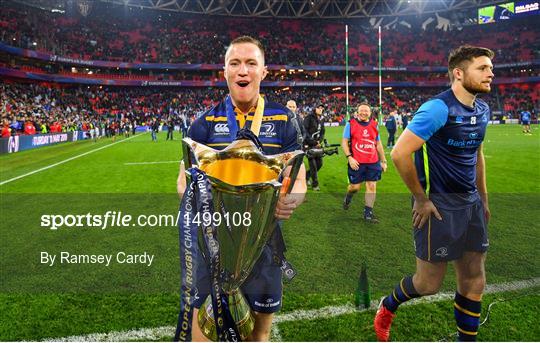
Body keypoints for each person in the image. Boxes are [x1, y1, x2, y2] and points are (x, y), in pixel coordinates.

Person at [176, 35, 306, 342]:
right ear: (225, 71)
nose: (242, 70)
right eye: (235, 63)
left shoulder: (284, 120)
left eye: (251, 63)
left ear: (263, 72)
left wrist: (294, 199)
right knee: (202, 334)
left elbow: (297, 177)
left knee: (258, 335)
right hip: (212, 247)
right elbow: (183, 180)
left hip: (263, 246)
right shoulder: (205, 123)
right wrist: (199, 205)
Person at [373, 45, 494, 342]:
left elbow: (477, 156)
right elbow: (400, 153)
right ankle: (388, 305)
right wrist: (421, 198)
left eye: (491, 68)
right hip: (440, 206)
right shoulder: (438, 108)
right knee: (428, 284)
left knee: (474, 279)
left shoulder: (482, 109)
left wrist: (484, 200)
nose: (491, 73)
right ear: (458, 73)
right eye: (482, 68)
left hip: (472, 205)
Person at [341, 103, 387, 223]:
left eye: (366, 111)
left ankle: (368, 213)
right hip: (357, 162)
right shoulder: (350, 124)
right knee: (354, 187)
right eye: (361, 111)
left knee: (371, 186)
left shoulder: (374, 124)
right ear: (357, 112)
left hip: (373, 161)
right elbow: (344, 142)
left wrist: (383, 160)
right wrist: (349, 158)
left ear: (370, 113)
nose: (363, 113)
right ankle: (348, 197)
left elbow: (378, 144)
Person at [303, 103, 326, 191]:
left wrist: (319, 141)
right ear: (314, 108)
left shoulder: (322, 119)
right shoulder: (309, 117)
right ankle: (315, 184)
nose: (320, 109)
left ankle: (306, 176)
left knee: (319, 164)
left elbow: (323, 132)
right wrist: (313, 142)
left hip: (317, 144)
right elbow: (304, 131)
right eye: (319, 108)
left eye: (322, 108)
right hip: (308, 144)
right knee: (313, 164)